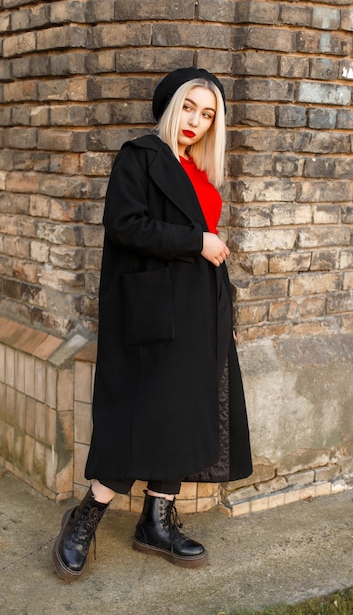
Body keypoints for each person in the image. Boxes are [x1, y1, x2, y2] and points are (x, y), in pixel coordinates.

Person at [53, 67, 252, 581]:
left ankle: (156, 522)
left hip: (201, 309)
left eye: (208, 115)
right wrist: (197, 243)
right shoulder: (138, 156)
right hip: (153, 309)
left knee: (185, 413)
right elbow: (125, 225)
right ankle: (85, 516)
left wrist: (224, 307)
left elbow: (207, 242)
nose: (196, 121)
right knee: (137, 413)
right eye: (189, 107)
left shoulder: (199, 171)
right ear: (169, 106)